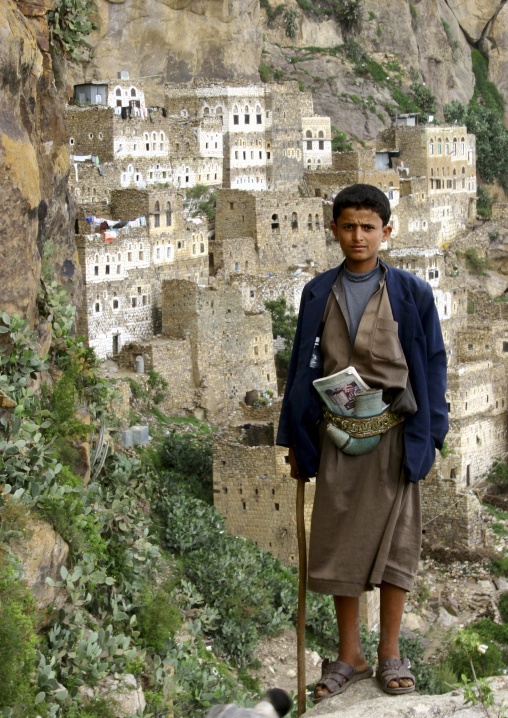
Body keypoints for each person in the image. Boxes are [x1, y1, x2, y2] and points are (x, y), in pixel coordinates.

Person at [276, 184, 448, 701]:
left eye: (368, 227)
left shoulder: (411, 293)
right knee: (339, 544)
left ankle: (390, 654)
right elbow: (301, 369)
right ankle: (348, 655)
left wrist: (433, 433)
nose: (358, 236)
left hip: (396, 436)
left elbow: (432, 364)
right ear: (334, 230)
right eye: (348, 226)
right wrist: (296, 440)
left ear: (386, 233)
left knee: (398, 545)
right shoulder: (316, 292)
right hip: (336, 435)